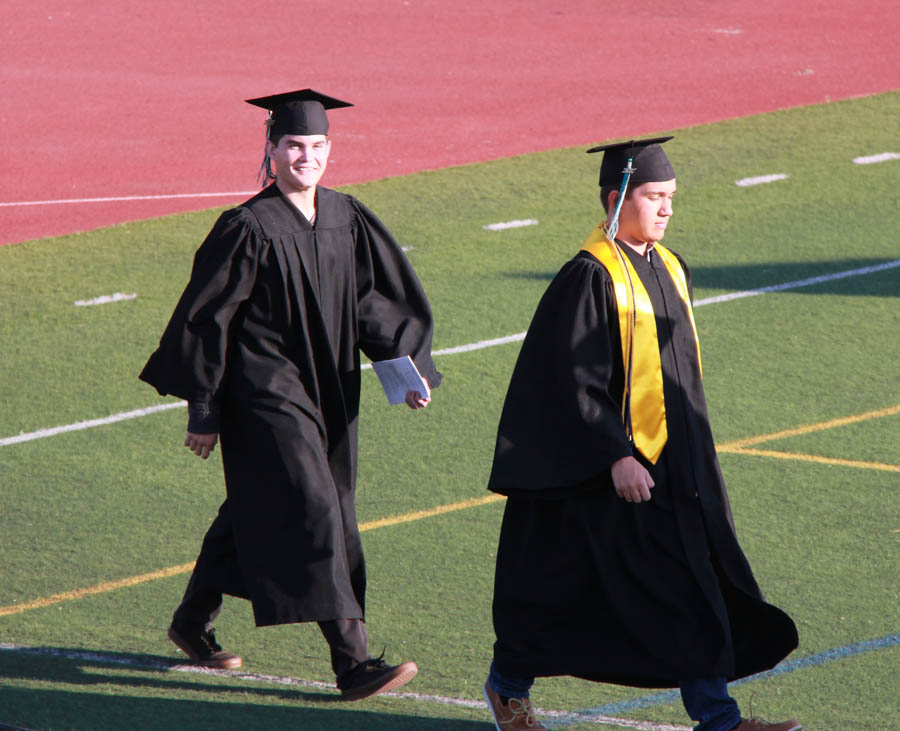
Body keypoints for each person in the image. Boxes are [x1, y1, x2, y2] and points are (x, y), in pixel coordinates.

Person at [481, 137, 801, 731]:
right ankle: (507, 689)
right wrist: (616, 456)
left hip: (676, 471)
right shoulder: (588, 278)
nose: (666, 208)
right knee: (558, 593)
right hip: (609, 478)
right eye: (654, 196)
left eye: (671, 197)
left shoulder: (667, 266)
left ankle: (719, 720)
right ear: (617, 198)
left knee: (692, 587)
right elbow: (570, 380)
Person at [139, 88, 441, 701]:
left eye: (318, 146)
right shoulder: (248, 227)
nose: (308, 157)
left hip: (328, 382)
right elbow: (207, 320)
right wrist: (204, 409)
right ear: (271, 151)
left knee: (261, 503)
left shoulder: (345, 216)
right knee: (318, 507)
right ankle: (353, 662)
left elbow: (372, 302)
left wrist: (404, 368)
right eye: (295, 146)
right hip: (264, 389)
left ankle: (191, 620)